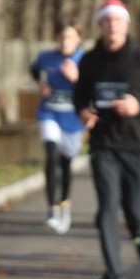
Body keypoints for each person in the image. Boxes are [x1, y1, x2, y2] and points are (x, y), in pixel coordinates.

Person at [73, 0, 140, 279]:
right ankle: (112, 271)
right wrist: (82, 111)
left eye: (117, 20)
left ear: (126, 24)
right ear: (100, 25)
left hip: (137, 144)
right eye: (107, 21)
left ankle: (139, 232)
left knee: (135, 210)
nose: (112, 25)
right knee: (106, 207)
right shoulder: (90, 60)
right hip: (103, 144)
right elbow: (79, 95)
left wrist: (138, 104)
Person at [29, 20, 85, 234]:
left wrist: (76, 78)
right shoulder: (46, 58)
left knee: (66, 161)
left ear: (78, 39)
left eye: (70, 37)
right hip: (49, 113)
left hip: (72, 118)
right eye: (61, 37)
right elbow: (34, 70)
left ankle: (64, 204)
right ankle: (52, 208)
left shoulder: (84, 60)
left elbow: (91, 87)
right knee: (51, 155)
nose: (65, 41)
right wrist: (40, 85)